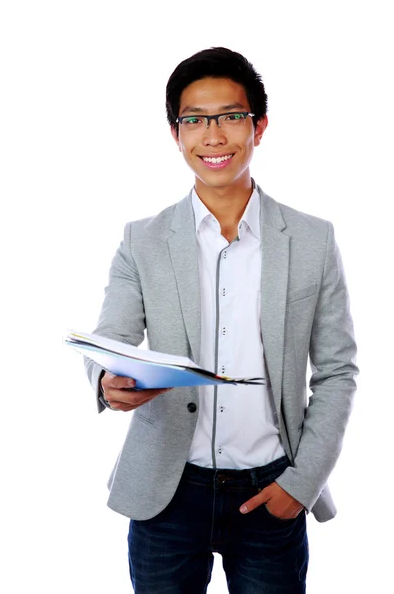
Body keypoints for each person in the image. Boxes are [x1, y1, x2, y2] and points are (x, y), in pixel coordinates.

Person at [84, 47, 358, 594]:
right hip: (167, 493)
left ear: (258, 127)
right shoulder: (143, 240)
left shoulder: (311, 239)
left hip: (271, 493)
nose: (214, 136)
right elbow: (110, 340)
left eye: (230, 117)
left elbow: (336, 371)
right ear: (176, 133)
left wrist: (300, 484)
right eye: (195, 120)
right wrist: (106, 381)